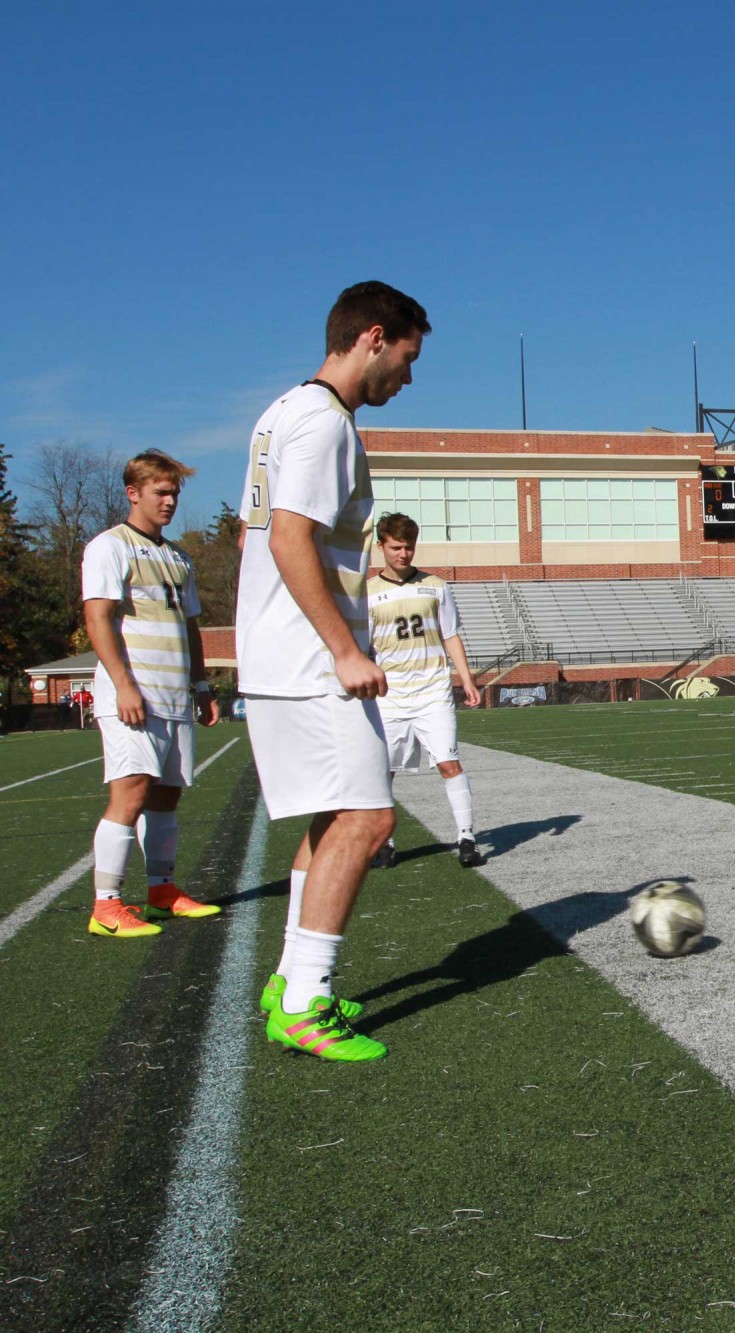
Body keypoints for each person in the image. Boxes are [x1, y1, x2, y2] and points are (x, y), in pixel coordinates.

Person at [240, 280, 429, 1062]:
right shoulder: (324, 423)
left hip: (286, 654)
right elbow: (290, 539)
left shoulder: (283, 410)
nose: (408, 379)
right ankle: (306, 1003)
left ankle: (292, 983)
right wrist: (345, 649)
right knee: (368, 820)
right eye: (408, 360)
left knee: (333, 816)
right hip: (312, 659)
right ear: (374, 338)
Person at [79, 450, 224, 938]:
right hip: (133, 693)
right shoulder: (109, 546)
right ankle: (107, 905)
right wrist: (123, 685)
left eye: (175, 494)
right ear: (133, 493)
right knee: (132, 792)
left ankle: (162, 892)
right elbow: (97, 618)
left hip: (174, 695)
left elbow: (190, 627)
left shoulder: (178, 557)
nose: (169, 502)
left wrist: (202, 688)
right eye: (161, 492)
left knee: (166, 796)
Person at [366, 512, 485, 870]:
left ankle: (466, 838)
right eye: (396, 547)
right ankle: (384, 842)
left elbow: (450, 634)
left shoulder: (436, 585)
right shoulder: (367, 592)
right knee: (383, 770)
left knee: (449, 763)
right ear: (381, 546)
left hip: (432, 690)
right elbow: (361, 645)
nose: (403, 554)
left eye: (409, 547)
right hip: (389, 694)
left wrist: (466, 678)